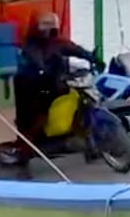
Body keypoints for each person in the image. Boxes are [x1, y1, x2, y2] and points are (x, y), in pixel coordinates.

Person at [12, 12, 99, 166]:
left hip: (55, 85)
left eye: (51, 27)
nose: (48, 30)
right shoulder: (31, 45)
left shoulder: (57, 42)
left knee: (80, 101)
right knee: (35, 120)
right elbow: (36, 59)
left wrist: (91, 58)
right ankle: (24, 160)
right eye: (44, 26)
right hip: (33, 87)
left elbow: (73, 48)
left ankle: (85, 144)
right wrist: (42, 69)